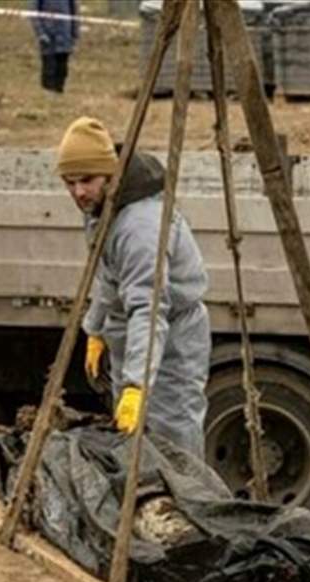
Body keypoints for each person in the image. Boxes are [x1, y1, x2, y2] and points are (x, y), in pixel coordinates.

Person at [58, 116, 210, 459]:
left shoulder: (140, 227)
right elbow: (111, 277)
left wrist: (136, 385)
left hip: (171, 338)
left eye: (87, 180)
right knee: (134, 447)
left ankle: (186, 509)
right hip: (129, 334)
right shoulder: (103, 208)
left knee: (173, 442)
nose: (78, 192)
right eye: (70, 182)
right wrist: (96, 328)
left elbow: (149, 308)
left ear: (111, 175)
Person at [31, 0, 78, 94]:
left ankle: (59, 91)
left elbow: (74, 12)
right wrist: (41, 32)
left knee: (62, 68)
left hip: (65, 35)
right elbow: (34, 12)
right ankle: (48, 92)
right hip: (48, 36)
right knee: (49, 66)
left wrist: (74, 34)